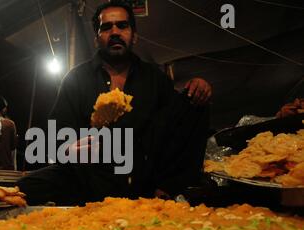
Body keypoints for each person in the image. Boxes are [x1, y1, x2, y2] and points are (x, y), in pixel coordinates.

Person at [17, 0, 210, 205]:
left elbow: (177, 125)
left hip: (142, 178)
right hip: (89, 176)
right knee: (23, 188)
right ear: (96, 39)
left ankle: (165, 190)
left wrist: (198, 88)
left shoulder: (155, 78)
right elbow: (55, 133)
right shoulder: (76, 78)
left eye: (122, 25)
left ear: (134, 36)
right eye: (106, 27)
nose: (115, 32)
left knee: (195, 104)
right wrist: (68, 149)